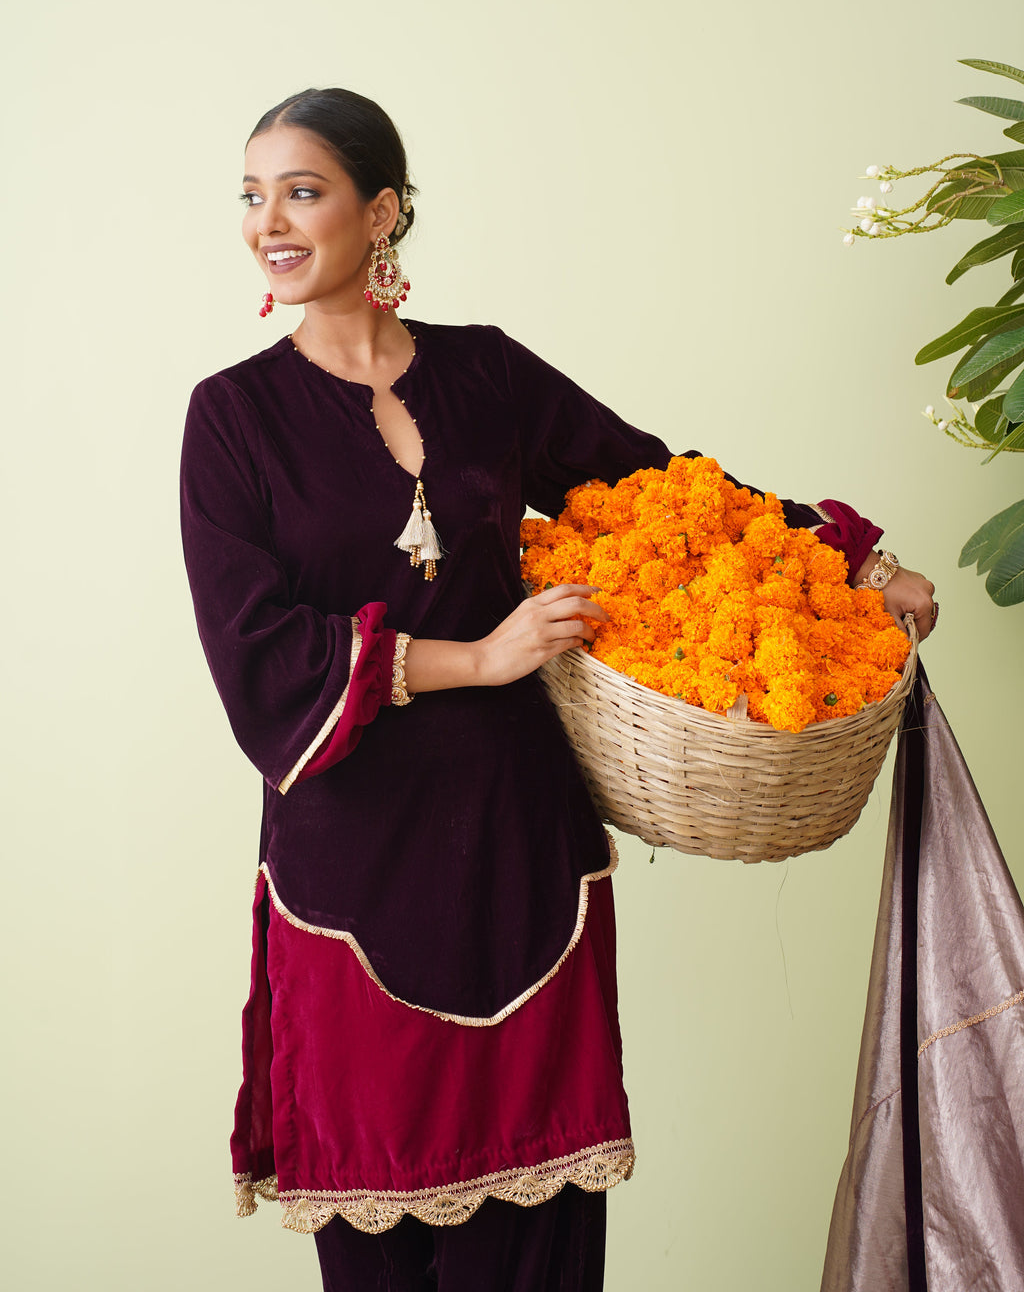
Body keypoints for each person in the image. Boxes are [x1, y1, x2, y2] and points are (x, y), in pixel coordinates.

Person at [179, 88, 937, 1292]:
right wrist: (481, 657)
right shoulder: (232, 418)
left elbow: (659, 487)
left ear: (381, 213)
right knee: (379, 1246)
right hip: (349, 869)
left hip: (522, 850)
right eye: (251, 195)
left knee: (539, 1249)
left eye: (302, 191)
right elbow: (254, 654)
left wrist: (855, 562)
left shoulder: (486, 374)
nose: (267, 221)